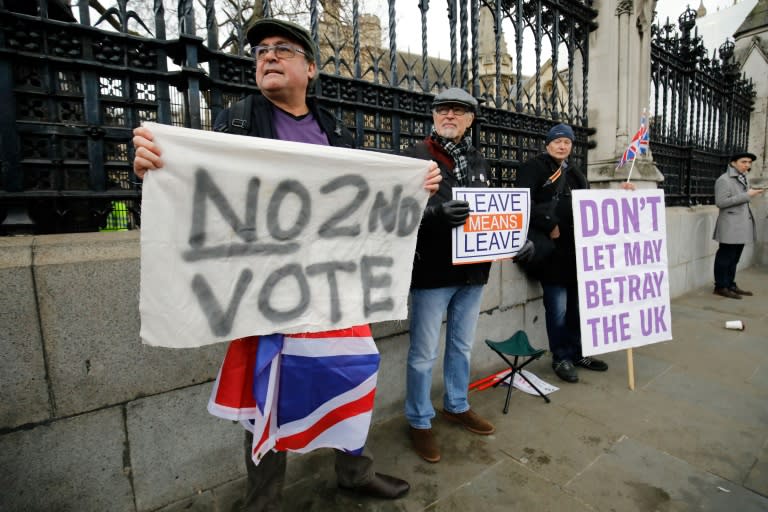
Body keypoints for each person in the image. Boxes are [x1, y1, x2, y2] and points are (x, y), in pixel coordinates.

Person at [132, 17, 441, 511]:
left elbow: (358, 204)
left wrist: (412, 188)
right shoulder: (237, 120)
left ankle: (354, 474)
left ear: (311, 68)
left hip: (331, 284)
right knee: (266, 395)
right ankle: (264, 501)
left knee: (351, 376)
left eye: (282, 49)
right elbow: (204, 199)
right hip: (268, 289)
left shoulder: (331, 127)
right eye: (260, 52)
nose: (267, 57)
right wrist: (155, 165)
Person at [402, 88, 534, 463]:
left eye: (458, 111)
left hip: (474, 273)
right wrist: (433, 216)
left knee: (461, 345)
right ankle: (419, 419)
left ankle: (456, 404)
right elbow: (396, 208)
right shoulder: (415, 156)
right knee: (423, 353)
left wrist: (515, 240)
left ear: (470, 120)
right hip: (431, 271)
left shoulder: (479, 161)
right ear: (433, 116)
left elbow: (490, 215)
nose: (449, 115)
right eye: (442, 109)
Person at [515, 123, 630, 384]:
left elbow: (590, 204)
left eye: (567, 142)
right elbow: (521, 202)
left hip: (579, 252)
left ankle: (578, 353)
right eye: (557, 141)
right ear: (548, 144)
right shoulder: (533, 168)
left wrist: (618, 196)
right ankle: (561, 357)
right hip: (552, 252)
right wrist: (549, 223)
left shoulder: (576, 172)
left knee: (579, 308)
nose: (562, 145)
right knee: (558, 309)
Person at [712, 151, 763, 299]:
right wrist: (748, 195)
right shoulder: (724, 180)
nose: (747, 165)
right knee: (725, 257)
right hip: (729, 226)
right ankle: (720, 286)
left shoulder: (742, 178)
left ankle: (730, 284)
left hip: (740, 226)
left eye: (749, 162)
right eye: (743, 162)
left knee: (734, 258)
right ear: (733, 163)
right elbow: (721, 202)